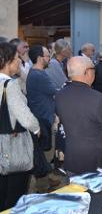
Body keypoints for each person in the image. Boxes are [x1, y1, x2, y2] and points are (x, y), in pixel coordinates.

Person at [55, 57, 102, 174]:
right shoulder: (99, 99)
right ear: (87, 72)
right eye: (93, 69)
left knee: (76, 192)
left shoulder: (60, 95)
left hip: (72, 159)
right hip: (96, 162)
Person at [0, 42, 40, 211]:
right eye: (17, 58)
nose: (19, 62)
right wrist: (37, 129)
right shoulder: (10, 85)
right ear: (7, 60)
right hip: (12, 148)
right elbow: (26, 118)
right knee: (14, 196)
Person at [26, 45, 60, 193]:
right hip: (42, 119)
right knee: (44, 153)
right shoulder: (38, 75)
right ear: (40, 58)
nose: (49, 59)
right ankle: (42, 187)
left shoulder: (38, 73)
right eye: (47, 56)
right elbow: (55, 90)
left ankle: (46, 180)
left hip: (43, 117)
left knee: (44, 153)